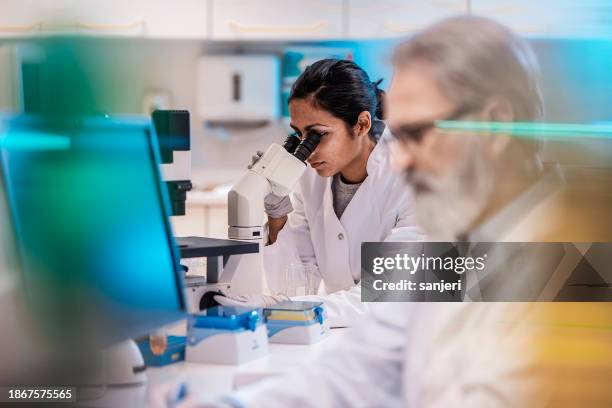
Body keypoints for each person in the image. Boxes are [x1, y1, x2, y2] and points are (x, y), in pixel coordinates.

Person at [152, 16, 612, 407]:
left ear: (495, 123)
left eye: (416, 135)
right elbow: (354, 370)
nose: (402, 160)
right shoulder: (461, 250)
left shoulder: (582, 265)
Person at [216, 59, 422, 327]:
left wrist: (285, 307)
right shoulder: (311, 178)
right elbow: (295, 286)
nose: (307, 150)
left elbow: (385, 297)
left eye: (318, 135)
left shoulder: (417, 179)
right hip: (347, 330)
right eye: (299, 136)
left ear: (361, 124)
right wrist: (277, 216)